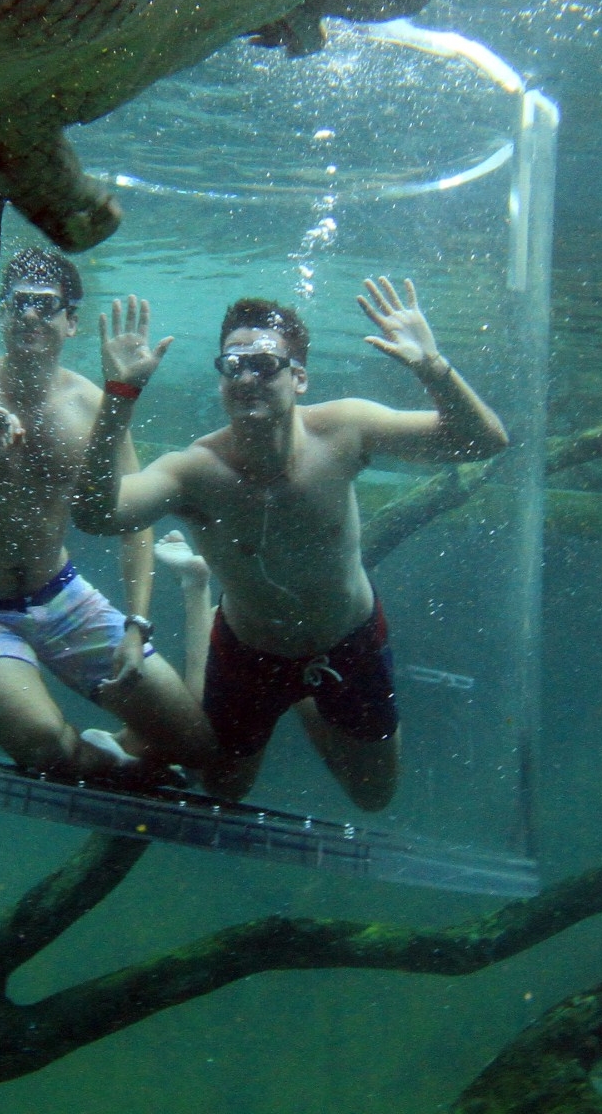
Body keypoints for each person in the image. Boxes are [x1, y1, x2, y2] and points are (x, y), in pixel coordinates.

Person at [78, 279, 509, 811]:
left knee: (373, 797)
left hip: (348, 641)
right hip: (250, 651)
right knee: (224, 788)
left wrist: (432, 367)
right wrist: (119, 396)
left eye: (264, 363)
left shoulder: (345, 429)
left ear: (299, 377)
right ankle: (198, 589)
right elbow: (97, 515)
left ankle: (306, 694)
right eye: (233, 365)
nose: (247, 376)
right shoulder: (196, 471)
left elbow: (483, 441)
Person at [0, 246, 218, 785]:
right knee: (46, 748)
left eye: (44, 306)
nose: (28, 316)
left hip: (64, 597)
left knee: (198, 748)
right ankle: (110, 761)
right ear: (1, 314)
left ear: (72, 322)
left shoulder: (93, 403)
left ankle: (116, 753)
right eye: (17, 304)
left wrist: (137, 626)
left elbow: (132, 519)